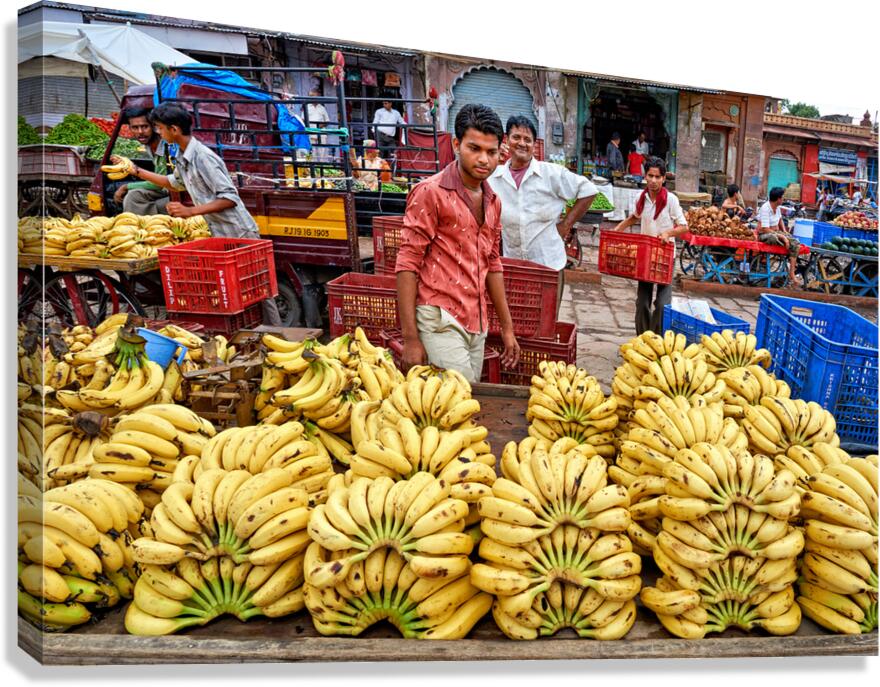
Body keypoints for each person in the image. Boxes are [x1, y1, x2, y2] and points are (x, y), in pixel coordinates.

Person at [110, 102, 282, 326]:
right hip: (218, 233)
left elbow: (229, 197)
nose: (158, 133)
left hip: (238, 231)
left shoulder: (202, 157)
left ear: (174, 129)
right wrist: (136, 170)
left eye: (160, 128)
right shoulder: (181, 156)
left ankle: (276, 331)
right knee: (232, 289)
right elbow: (174, 183)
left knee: (259, 288)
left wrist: (190, 211)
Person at [395, 103, 520, 383]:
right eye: (474, 148)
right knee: (457, 399)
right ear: (456, 144)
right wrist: (411, 339)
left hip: (477, 322)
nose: (483, 160)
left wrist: (507, 328)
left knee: (464, 403)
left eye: (491, 152)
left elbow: (492, 264)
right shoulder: (430, 193)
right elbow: (407, 262)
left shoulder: (493, 201)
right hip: (440, 319)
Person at [489, 115, 597, 311]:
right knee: (516, 323)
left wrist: (566, 225)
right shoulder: (494, 178)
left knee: (545, 325)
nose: (522, 143)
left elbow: (588, 190)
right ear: (506, 140)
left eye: (527, 139)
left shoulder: (551, 174)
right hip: (513, 267)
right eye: (516, 137)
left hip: (548, 266)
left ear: (534, 145)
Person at [613, 157, 689, 335]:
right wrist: (617, 230)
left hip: (665, 257)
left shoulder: (671, 200)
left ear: (663, 179)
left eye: (657, 177)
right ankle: (642, 338)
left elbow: (684, 226)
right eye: (650, 176)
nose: (653, 181)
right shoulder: (642, 198)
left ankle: (655, 337)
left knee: (662, 304)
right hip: (646, 257)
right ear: (645, 176)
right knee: (642, 302)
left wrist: (668, 233)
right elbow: (634, 217)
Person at [112, 107, 170, 215]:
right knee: (134, 195)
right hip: (164, 188)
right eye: (135, 127)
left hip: (174, 190)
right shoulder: (149, 146)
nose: (140, 132)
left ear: (154, 126)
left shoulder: (166, 147)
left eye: (144, 127)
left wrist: (126, 186)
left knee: (134, 196)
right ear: (130, 128)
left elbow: (160, 183)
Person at [756, 186, 800, 285]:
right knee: (774, 237)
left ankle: (791, 273)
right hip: (765, 234)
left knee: (796, 243)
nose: (784, 199)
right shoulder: (765, 208)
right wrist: (783, 237)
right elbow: (765, 229)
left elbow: (780, 220)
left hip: (776, 232)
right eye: (783, 197)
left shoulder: (778, 207)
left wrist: (785, 232)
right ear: (778, 199)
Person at [306, 88, 330, 163]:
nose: (312, 98)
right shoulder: (306, 107)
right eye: (310, 96)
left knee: (322, 153)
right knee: (311, 152)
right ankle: (312, 169)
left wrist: (318, 127)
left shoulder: (322, 108)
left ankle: (322, 168)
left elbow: (327, 121)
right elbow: (303, 120)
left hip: (321, 133)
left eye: (313, 96)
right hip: (310, 133)